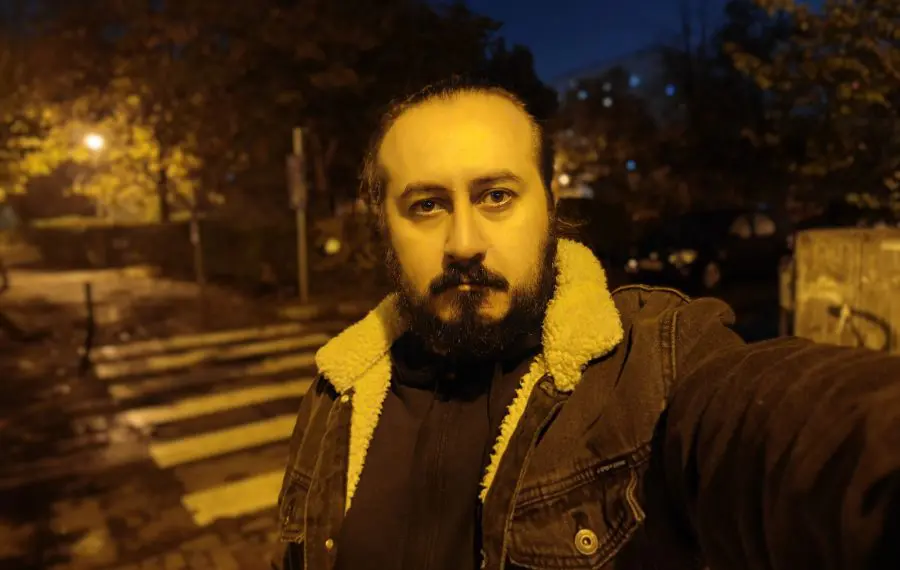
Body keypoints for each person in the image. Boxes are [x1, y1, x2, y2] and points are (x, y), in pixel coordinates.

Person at [273, 78, 900, 570]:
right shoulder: (337, 396)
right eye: (427, 204)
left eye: (496, 196)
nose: (464, 242)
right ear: (383, 223)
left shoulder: (651, 363)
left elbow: (770, 416)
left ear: (550, 204)